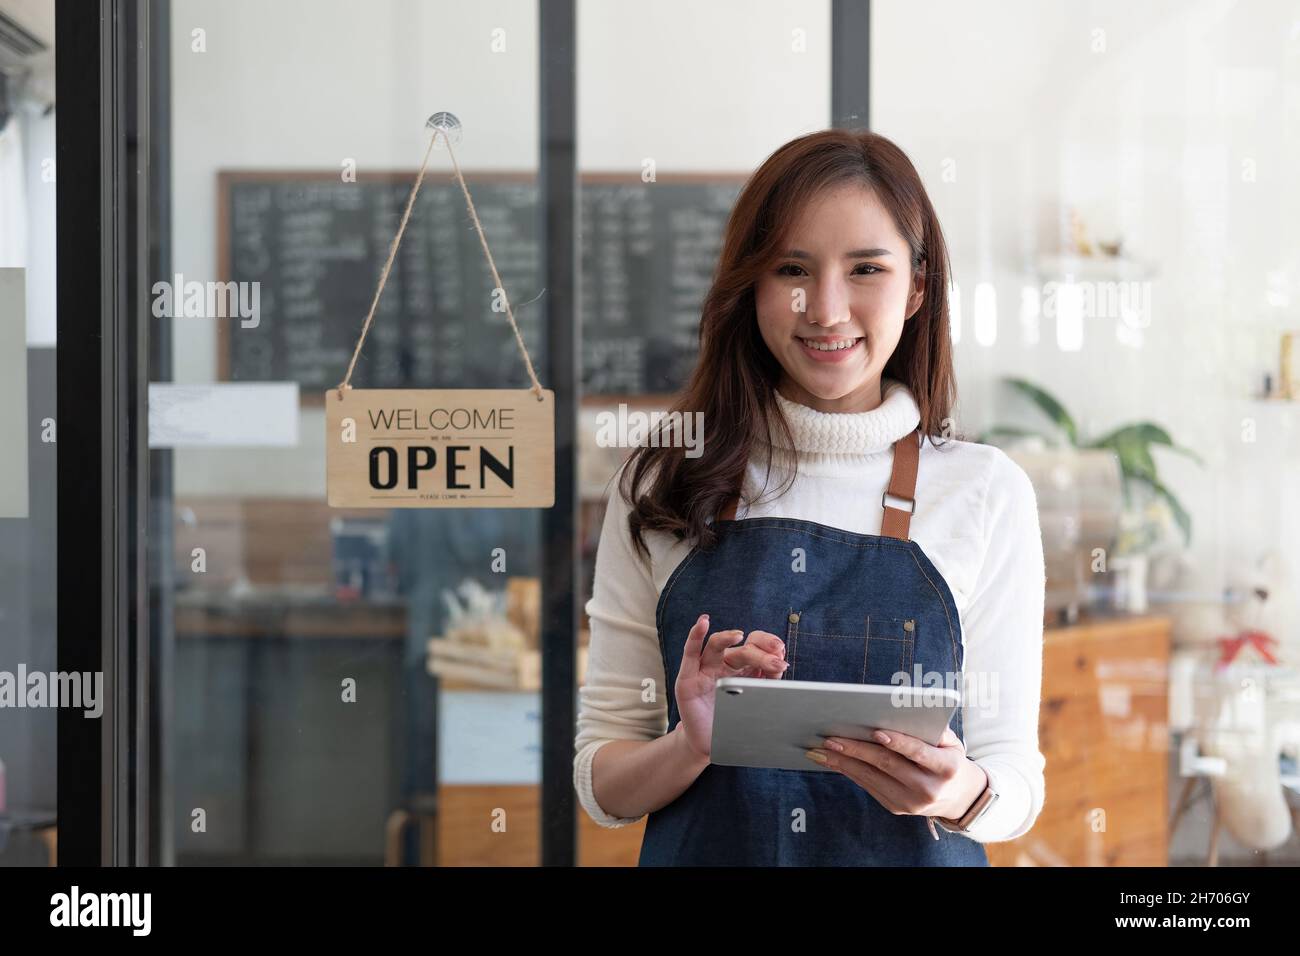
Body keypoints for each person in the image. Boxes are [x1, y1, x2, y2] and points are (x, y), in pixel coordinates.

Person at [573, 128, 1047, 866]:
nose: (826, 309)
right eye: (792, 268)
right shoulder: (662, 482)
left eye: (866, 269)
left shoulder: (985, 493)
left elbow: (1015, 779)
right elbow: (603, 782)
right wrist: (689, 746)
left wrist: (958, 793)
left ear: (918, 287)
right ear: (750, 284)